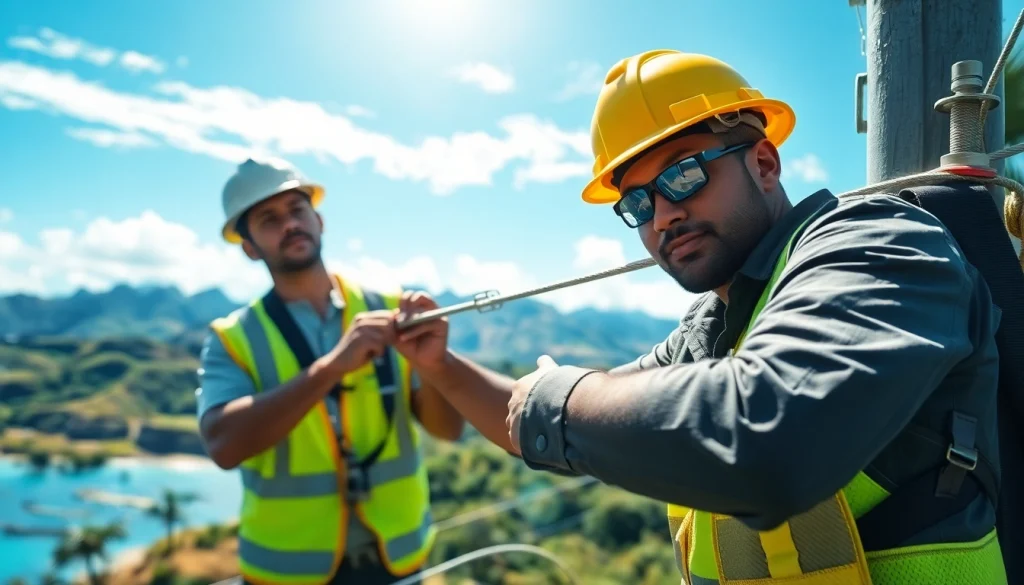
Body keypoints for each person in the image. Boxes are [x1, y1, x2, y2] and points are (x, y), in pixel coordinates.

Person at [392, 50, 1009, 583]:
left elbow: (767, 439)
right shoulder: (709, 330)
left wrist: (556, 402)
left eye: (683, 174)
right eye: (637, 201)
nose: (661, 215)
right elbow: (552, 426)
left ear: (763, 164)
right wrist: (441, 365)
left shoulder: (878, 247)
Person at [195, 156, 465, 585]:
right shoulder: (232, 338)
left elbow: (447, 429)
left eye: (297, 211)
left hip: (398, 558)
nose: (289, 224)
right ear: (249, 247)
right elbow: (223, 445)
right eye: (269, 219)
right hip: (287, 571)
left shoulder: (391, 309)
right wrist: (330, 368)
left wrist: (434, 366)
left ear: (318, 220)